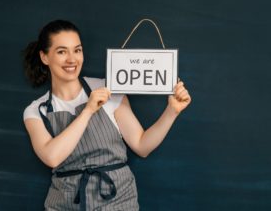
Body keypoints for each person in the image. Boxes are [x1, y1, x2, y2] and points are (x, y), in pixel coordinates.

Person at [23, 19, 191, 211]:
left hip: (118, 200)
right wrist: (88, 110)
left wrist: (172, 111)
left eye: (77, 50)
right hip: (65, 203)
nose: (72, 59)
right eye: (62, 52)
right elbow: (52, 157)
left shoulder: (109, 88)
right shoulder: (37, 111)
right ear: (45, 57)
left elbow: (142, 146)